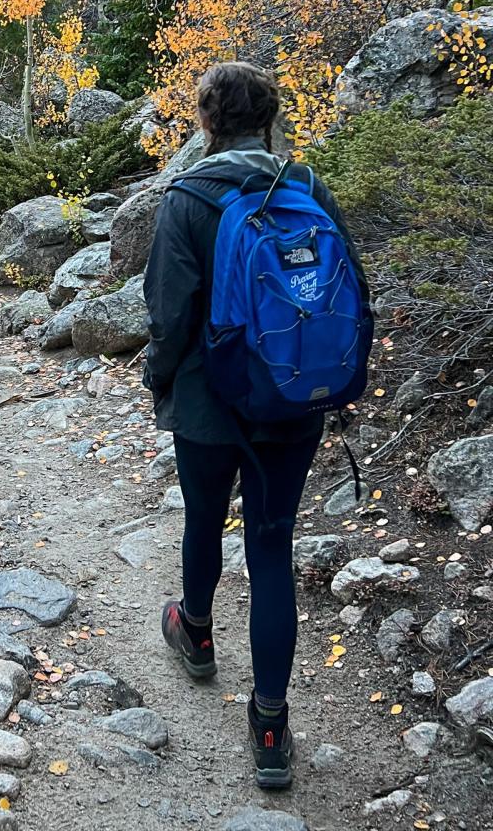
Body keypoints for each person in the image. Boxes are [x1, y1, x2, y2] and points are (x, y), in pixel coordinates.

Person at [143, 61, 369, 791]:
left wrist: (158, 379)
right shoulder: (305, 190)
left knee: (204, 520)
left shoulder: (184, 199)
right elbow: (347, 294)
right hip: (291, 400)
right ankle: (270, 725)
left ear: (207, 122)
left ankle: (197, 634)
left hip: (209, 405)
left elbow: (170, 314)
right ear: (272, 121)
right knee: (272, 548)